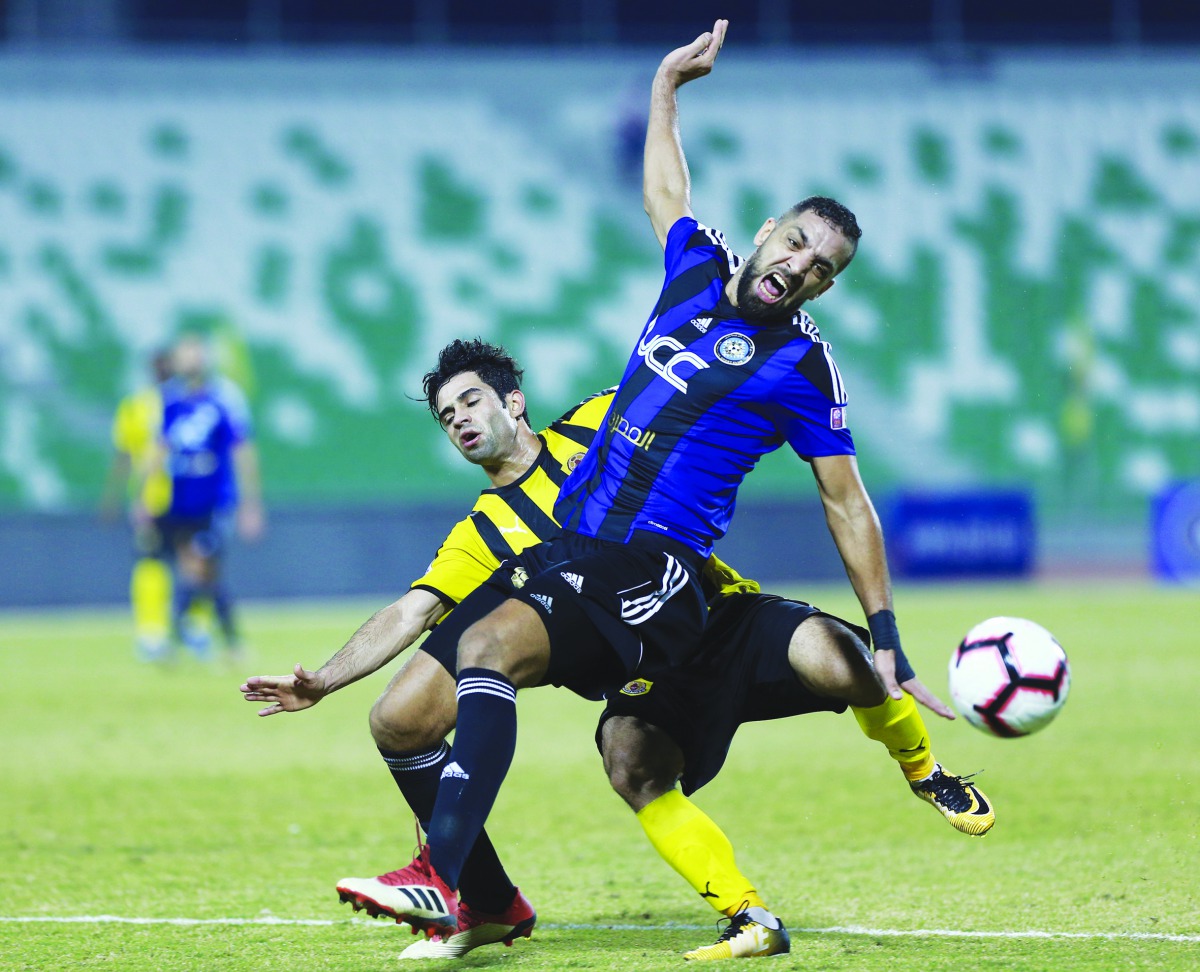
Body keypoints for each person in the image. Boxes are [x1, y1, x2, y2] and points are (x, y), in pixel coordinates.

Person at [349, 19, 998, 950]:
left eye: (824, 269)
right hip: (575, 549)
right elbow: (665, 190)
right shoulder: (694, 271)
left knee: (498, 647)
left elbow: (845, 501)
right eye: (799, 245)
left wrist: (890, 631)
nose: (802, 269)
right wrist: (665, 87)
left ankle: (436, 876)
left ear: (825, 287)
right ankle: (486, 901)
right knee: (415, 713)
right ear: (769, 231)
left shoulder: (802, 369)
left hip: (660, 567)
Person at [242, 340, 991, 960]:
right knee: (630, 764)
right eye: (446, 417)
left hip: (721, 615)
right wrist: (324, 682)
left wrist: (751, 311)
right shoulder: (481, 535)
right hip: (649, 679)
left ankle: (925, 771)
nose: (460, 421)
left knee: (844, 662)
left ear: (513, 402)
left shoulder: (601, 424)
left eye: (471, 401)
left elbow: (688, 385)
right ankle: (747, 915)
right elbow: (411, 610)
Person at [150, 333, 265, 661]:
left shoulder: (225, 397)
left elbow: (243, 449)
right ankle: (226, 641)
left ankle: (175, 638)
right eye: (183, 354)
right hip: (180, 499)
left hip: (215, 500)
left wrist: (251, 502)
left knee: (200, 566)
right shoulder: (169, 399)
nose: (190, 360)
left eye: (194, 354)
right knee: (199, 571)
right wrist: (146, 498)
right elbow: (161, 448)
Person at [100, 347, 175, 661]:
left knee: (194, 565)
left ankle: (189, 630)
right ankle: (151, 632)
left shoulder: (187, 403)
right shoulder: (136, 406)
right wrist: (114, 497)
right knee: (151, 563)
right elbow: (124, 455)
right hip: (152, 500)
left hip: (189, 497)